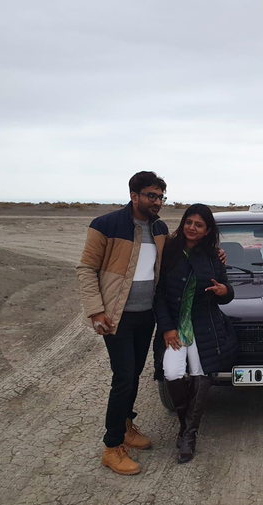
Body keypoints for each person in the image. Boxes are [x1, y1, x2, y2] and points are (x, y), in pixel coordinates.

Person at [76, 171, 169, 475]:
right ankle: (112, 446)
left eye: (160, 196)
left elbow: (176, 257)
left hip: (146, 316)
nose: (157, 201)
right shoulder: (106, 225)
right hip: (117, 317)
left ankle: (127, 426)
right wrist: (96, 311)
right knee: (124, 377)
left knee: (135, 373)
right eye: (151, 195)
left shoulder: (159, 228)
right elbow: (87, 269)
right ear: (134, 196)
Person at [154, 203, 238, 464]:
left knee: (202, 374)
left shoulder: (214, 256)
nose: (192, 228)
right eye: (189, 222)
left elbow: (226, 290)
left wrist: (226, 291)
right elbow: (157, 294)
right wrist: (167, 328)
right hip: (176, 328)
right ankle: (184, 425)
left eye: (198, 224)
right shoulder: (168, 251)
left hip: (204, 326)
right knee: (172, 373)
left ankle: (188, 435)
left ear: (207, 230)